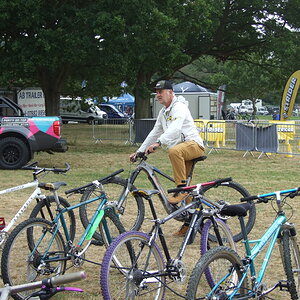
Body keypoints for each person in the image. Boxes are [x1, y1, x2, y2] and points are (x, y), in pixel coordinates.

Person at [129, 80, 205, 235]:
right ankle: (189, 223)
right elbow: (154, 132)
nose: (157, 95)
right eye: (156, 92)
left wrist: (159, 143)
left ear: (170, 92)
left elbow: (175, 129)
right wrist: (139, 151)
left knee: (174, 152)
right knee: (189, 190)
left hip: (193, 145)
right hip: (182, 150)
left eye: (160, 92)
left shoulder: (179, 107)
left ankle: (180, 190)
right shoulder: (163, 112)